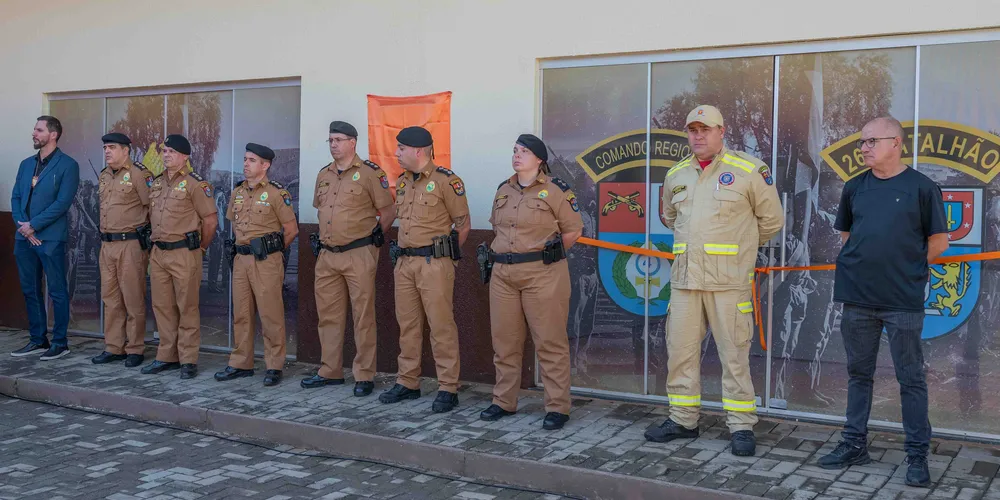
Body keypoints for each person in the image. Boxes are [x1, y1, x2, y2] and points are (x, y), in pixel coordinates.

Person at [645, 105, 784, 456]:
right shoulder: (677, 174)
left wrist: (739, 253)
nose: (698, 136)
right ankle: (682, 420)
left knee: (734, 354)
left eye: (705, 129)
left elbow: (771, 221)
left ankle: (740, 425)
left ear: (722, 131)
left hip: (729, 282)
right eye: (692, 130)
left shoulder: (749, 170)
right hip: (685, 282)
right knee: (680, 353)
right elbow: (671, 217)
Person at [817, 116, 947, 488]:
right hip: (857, 298)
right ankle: (854, 443)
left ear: (896, 143)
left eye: (872, 141)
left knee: (911, 378)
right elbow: (847, 235)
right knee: (859, 375)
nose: (864, 148)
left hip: (902, 302)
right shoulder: (854, 187)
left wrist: (903, 270)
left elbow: (938, 243)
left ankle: (917, 455)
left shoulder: (922, 188)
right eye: (862, 142)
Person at [479, 134, 583, 430]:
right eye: (514, 150)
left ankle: (557, 406)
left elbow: (573, 230)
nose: (517, 155)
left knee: (549, 341)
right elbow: (496, 228)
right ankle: (503, 400)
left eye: (524, 152)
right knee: (505, 342)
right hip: (502, 274)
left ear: (539, 160)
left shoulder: (556, 190)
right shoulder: (504, 190)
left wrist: (548, 255)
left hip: (542, 274)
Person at [378, 126, 470, 413]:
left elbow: (463, 226)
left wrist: (447, 258)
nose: (396, 154)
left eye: (401, 149)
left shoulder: (447, 181)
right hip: (404, 263)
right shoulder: (403, 182)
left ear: (418, 151)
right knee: (408, 325)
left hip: (434, 264)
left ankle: (447, 387)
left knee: (441, 326)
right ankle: (408, 382)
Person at [301, 121, 396, 396]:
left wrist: (374, 238)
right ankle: (329, 370)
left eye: (339, 140)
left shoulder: (369, 174)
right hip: (327, 255)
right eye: (330, 140)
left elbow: (388, 212)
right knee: (328, 316)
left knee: (363, 316)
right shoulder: (324, 175)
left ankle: (364, 375)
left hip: (359, 253)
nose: (333, 144)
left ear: (353, 143)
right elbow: (321, 210)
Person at [214, 143, 299, 387]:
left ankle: (274, 365)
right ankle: (241, 363)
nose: (246, 164)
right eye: (245, 159)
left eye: (252, 160)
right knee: (241, 314)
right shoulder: (237, 192)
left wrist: (273, 251)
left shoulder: (276, 193)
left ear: (265, 165)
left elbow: (291, 230)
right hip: (241, 260)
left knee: (270, 314)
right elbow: (233, 225)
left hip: (266, 261)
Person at [141, 134, 218, 380]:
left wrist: (200, 248)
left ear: (185, 157)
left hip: (185, 253)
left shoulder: (196, 184)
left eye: (171, 152)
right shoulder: (157, 182)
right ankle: (166, 356)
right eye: (164, 151)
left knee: (187, 307)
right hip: (159, 253)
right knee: (162, 307)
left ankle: (187, 359)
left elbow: (210, 221)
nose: (166, 155)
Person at [10, 116, 80, 360]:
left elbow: (62, 203)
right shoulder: (25, 164)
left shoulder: (67, 165)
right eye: (34, 129)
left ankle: (60, 343)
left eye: (39, 130)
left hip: (49, 238)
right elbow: (16, 197)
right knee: (30, 290)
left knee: (57, 291)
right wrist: (23, 227)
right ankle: (38, 340)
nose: (34, 133)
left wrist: (34, 226)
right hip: (24, 238)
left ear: (53, 134)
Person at [91, 132, 153, 368]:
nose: (107, 151)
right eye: (105, 147)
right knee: (111, 298)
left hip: (130, 244)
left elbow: (152, 208)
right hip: (107, 245)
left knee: (133, 297)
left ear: (126, 150)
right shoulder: (105, 175)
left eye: (112, 147)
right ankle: (114, 346)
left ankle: (135, 348)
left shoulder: (139, 174)